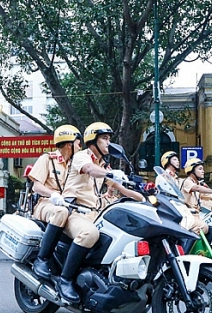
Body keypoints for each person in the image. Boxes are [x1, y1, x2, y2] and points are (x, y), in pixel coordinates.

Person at [57, 122, 141, 303]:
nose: (108, 143)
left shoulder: (103, 166)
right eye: (104, 139)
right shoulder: (82, 157)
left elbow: (123, 189)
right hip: (74, 212)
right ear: (92, 141)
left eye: (109, 139)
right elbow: (90, 170)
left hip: (94, 214)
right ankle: (65, 279)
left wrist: (146, 196)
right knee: (89, 233)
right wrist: (110, 174)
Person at [29, 124, 82, 280]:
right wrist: (53, 194)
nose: (80, 146)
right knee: (61, 211)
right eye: (78, 143)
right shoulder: (47, 159)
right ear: (68, 144)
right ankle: (42, 259)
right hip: (47, 204)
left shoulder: (77, 165)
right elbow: (36, 185)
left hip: (70, 207)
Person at [179, 158, 212, 239]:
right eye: (200, 169)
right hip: (187, 215)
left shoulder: (198, 184)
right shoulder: (187, 182)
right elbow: (197, 188)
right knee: (203, 226)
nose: (203, 171)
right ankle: (186, 248)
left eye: (203, 169)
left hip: (196, 215)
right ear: (191, 170)